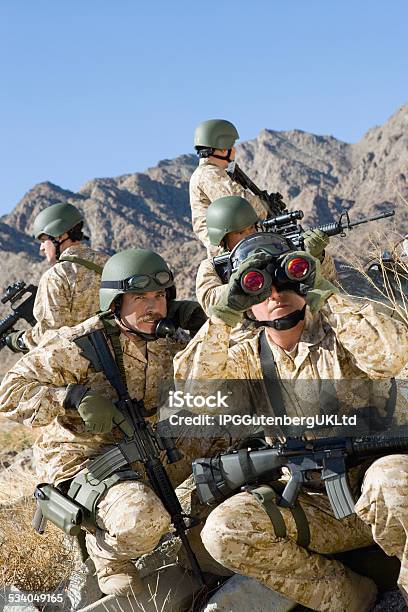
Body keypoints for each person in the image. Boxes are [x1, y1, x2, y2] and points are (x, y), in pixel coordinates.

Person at [174, 234, 408, 611]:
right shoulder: (247, 357)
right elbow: (195, 395)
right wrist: (224, 315)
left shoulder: (342, 330)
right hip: (314, 504)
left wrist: (325, 294)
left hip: (377, 490)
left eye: (285, 279)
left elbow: (392, 356)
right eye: (258, 287)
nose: (274, 294)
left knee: (395, 479)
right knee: (223, 530)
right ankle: (353, 599)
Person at [0, 248, 212, 597]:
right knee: (143, 521)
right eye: (139, 297)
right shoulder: (82, 343)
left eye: (160, 296)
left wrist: (206, 316)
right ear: (115, 303)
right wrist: (70, 398)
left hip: (143, 447)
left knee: (231, 441)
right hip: (87, 461)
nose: (152, 307)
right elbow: (10, 392)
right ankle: (108, 555)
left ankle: (199, 539)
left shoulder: (167, 336)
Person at [196, 195, 336, 318]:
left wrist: (317, 257)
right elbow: (209, 303)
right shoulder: (212, 266)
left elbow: (330, 279)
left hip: (296, 317)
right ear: (223, 239)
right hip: (248, 333)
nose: (250, 234)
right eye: (240, 232)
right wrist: (247, 281)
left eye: (252, 227)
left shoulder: (278, 246)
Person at [4, 202, 108, 353]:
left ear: (58, 236)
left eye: (43, 240)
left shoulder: (56, 275)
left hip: (82, 366)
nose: (41, 248)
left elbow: (50, 334)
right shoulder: (109, 262)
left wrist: (18, 340)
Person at [190, 119, 270, 254]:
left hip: (237, 245)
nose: (234, 149)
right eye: (231, 145)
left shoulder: (212, 173)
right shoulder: (209, 174)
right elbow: (241, 205)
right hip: (230, 249)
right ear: (222, 148)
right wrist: (265, 207)